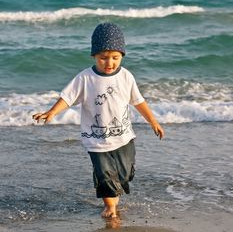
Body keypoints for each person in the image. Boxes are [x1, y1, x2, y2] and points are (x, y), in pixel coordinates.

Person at [33, 22, 164, 219]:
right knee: (105, 175)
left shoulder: (126, 76)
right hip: (96, 141)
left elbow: (138, 101)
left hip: (124, 137)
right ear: (94, 55)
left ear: (122, 56)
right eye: (103, 58)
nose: (109, 62)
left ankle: (116, 186)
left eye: (115, 57)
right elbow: (67, 98)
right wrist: (52, 112)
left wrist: (153, 121)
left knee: (125, 174)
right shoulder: (85, 78)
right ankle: (110, 207)